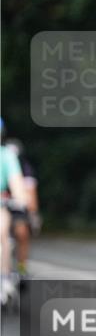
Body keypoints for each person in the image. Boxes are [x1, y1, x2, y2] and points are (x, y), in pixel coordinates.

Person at [0, 118, 28, 305]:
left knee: (1, 228)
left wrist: (20, 197)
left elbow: (17, 182)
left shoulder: (7, 156)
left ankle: (3, 276)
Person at [4, 138, 41, 281]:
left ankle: (22, 268)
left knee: (22, 233)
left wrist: (33, 212)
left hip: (17, 207)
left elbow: (31, 193)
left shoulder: (26, 169)